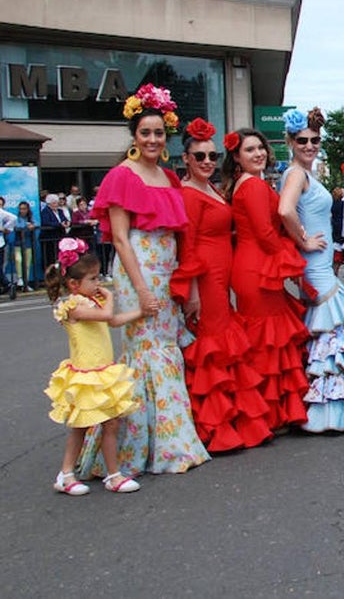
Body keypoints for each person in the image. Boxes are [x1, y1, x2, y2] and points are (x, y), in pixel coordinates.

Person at [79, 84, 209, 477]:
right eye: (145, 133)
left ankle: (171, 442)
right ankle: (138, 449)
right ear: (134, 136)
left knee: (167, 350)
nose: (152, 140)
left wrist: (188, 287)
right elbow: (119, 238)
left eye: (158, 133)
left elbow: (180, 236)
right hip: (139, 272)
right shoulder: (122, 176)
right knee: (144, 356)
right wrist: (140, 289)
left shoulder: (169, 178)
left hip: (167, 272)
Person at [171, 119, 269, 452]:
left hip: (224, 273)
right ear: (185, 158)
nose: (207, 162)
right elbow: (188, 244)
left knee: (227, 343)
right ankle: (216, 427)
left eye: (212, 156)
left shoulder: (211, 188)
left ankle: (233, 419)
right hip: (206, 276)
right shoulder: (187, 192)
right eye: (199, 156)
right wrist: (194, 291)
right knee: (214, 343)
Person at [280, 107, 344, 431]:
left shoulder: (306, 174)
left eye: (314, 140)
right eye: (302, 140)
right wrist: (303, 241)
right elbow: (284, 210)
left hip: (319, 265)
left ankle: (334, 410)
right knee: (332, 333)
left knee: (330, 335)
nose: (309, 145)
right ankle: (329, 412)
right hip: (315, 266)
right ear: (290, 141)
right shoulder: (295, 174)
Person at [225, 124, 310, 433]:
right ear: (236, 156)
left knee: (264, 338)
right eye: (249, 150)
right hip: (257, 267)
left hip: (251, 265)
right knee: (266, 340)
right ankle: (267, 414)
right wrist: (299, 251)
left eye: (260, 148)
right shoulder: (253, 186)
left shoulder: (246, 184)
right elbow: (266, 234)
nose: (258, 153)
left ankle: (267, 412)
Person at [45, 240, 143, 495]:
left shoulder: (90, 302)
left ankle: (112, 474)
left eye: (98, 277)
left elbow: (112, 322)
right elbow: (108, 316)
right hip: (86, 375)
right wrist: (109, 296)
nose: (98, 284)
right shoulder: (74, 306)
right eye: (93, 279)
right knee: (81, 426)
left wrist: (140, 312)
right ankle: (67, 474)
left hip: (100, 372)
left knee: (110, 423)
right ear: (73, 284)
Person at [12, 201, 38, 291]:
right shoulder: (17, 218)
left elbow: (36, 223)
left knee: (27, 264)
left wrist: (33, 225)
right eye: (21, 209)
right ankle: (19, 278)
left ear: (27, 209)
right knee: (18, 260)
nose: (22, 211)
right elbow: (16, 226)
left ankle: (25, 283)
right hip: (18, 243)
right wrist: (27, 226)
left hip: (28, 243)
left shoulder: (30, 217)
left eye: (24, 209)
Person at [40, 193, 70, 270]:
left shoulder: (60, 211)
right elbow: (46, 222)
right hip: (50, 238)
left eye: (57, 202)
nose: (56, 204)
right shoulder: (45, 211)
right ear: (49, 204)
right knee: (51, 257)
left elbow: (64, 219)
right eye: (54, 203)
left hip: (60, 237)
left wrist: (67, 222)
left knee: (60, 256)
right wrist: (59, 224)